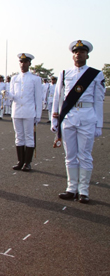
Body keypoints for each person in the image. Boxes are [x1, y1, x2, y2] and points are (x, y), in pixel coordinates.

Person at [52, 40, 105, 203]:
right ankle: (71, 188)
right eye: (76, 52)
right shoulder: (64, 73)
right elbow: (57, 98)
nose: (78, 54)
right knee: (70, 155)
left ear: (87, 55)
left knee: (85, 156)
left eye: (82, 52)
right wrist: (55, 120)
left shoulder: (95, 74)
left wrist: (99, 123)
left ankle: (84, 191)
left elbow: (99, 100)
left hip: (87, 117)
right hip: (68, 118)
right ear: (72, 55)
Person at [2, 53, 42, 172]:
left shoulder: (35, 79)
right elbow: (13, 95)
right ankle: (20, 161)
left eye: (25, 62)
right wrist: (7, 95)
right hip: (17, 111)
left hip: (29, 111)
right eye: (21, 62)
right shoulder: (14, 78)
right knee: (19, 137)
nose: (22, 64)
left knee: (29, 137)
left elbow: (38, 98)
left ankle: (27, 163)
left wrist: (38, 115)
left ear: (29, 63)